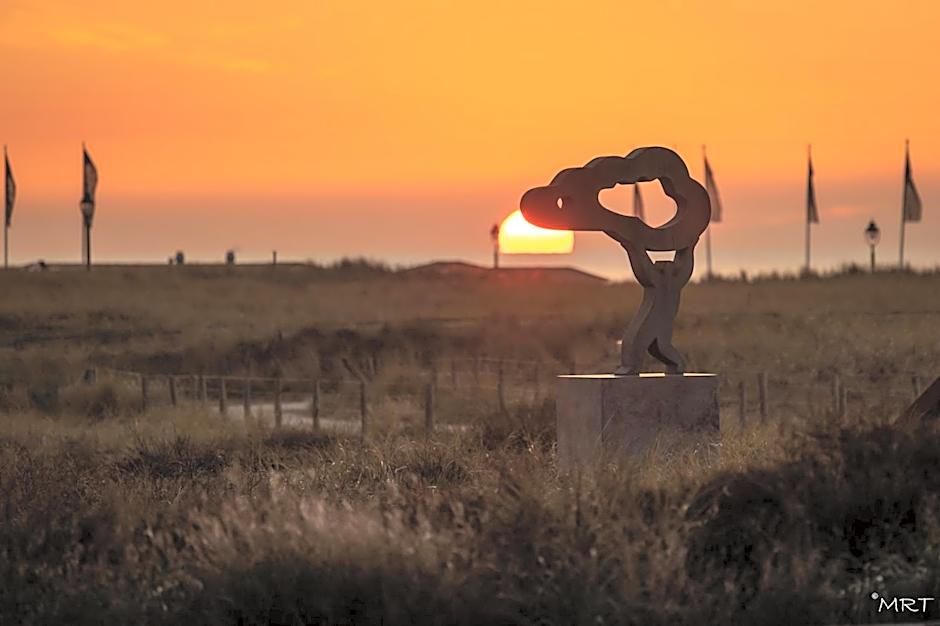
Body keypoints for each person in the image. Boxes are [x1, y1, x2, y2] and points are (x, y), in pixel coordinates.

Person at [614, 236, 695, 375]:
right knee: (636, 344)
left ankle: (677, 364)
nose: (665, 272)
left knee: (655, 346)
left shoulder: (673, 283)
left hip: (661, 321)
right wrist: (634, 248)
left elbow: (685, 268)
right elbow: (644, 266)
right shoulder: (665, 282)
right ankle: (633, 367)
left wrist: (689, 247)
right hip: (654, 319)